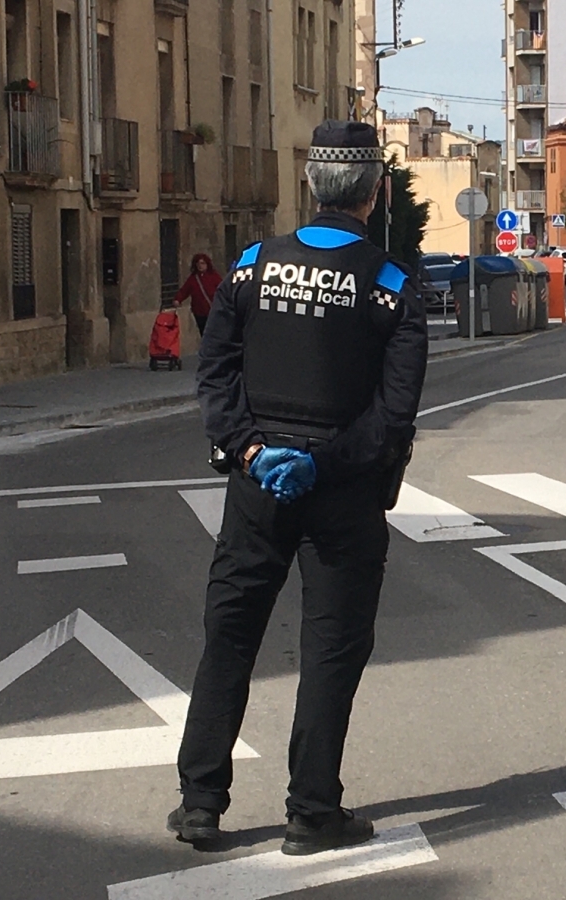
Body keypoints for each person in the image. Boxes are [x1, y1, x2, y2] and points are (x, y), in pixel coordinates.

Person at [168, 120, 428, 856]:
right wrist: (326, 461)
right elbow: (393, 414)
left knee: (230, 636)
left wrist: (251, 447)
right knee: (331, 649)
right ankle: (312, 812)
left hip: (256, 488)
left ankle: (199, 804)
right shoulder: (391, 287)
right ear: (376, 196)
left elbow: (215, 374)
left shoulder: (249, 268)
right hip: (343, 495)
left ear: (311, 185)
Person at [174, 253, 222, 335]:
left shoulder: (214, 277)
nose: (200, 266)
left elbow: (222, 290)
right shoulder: (193, 279)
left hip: (213, 311)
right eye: (198, 263)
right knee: (204, 333)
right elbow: (185, 290)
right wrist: (178, 299)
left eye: (202, 263)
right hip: (199, 312)